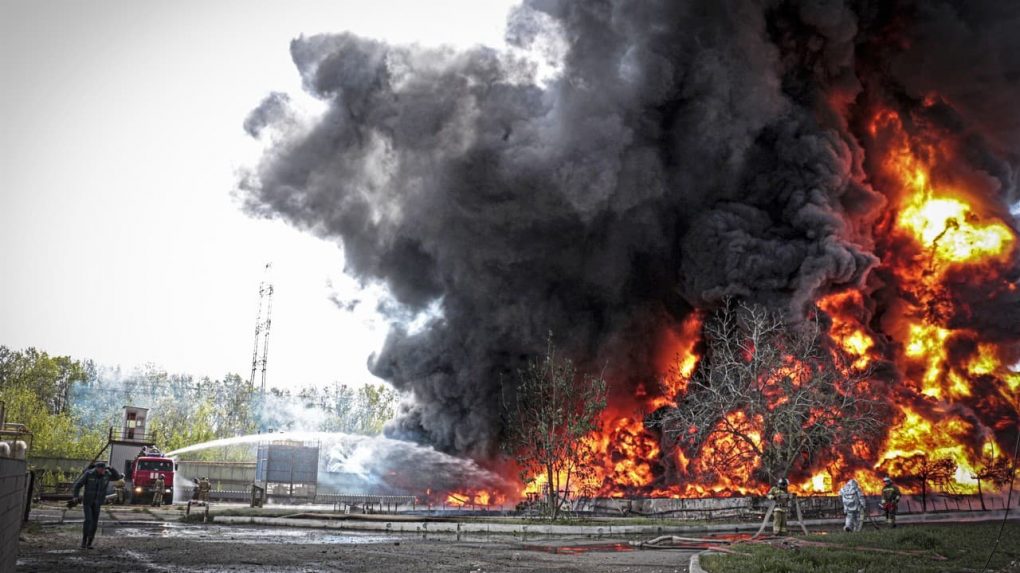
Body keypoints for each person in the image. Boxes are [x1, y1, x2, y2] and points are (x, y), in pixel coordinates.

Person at [72, 461, 123, 549]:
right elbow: (78, 485)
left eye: (105, 469)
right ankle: (83, 542)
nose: (104, 471)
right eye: (102, 469)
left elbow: (117, 477)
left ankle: (90, 543)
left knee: (94, 523)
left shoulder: (107, 474)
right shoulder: (89, 474)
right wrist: (75, 496)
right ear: (97, 469)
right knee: (88, 520)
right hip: (88, 501)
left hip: (98, 502)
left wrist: (111, 468)